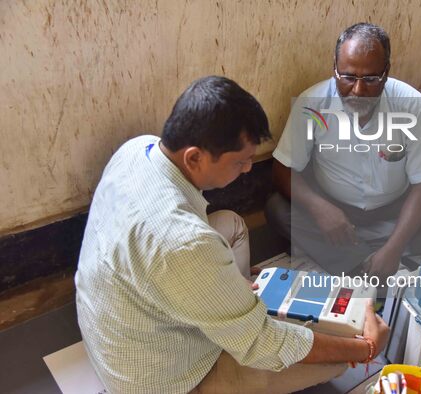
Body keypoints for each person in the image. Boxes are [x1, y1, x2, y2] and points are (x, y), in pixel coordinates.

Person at [75, 76, 390, 394]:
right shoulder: (186, 244)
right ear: (195, 157)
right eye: (240, 161)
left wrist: (221, 284)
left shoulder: (136, 150)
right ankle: (233, 312)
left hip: (112, 334)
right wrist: (363, 348)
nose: (249, 169)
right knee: (334, 358)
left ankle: (231, 300)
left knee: (231, 224)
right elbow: (263, 344)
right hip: (158, 381)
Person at [266, 23, 421, 280]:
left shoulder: (412, 105)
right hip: (336, 210)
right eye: (348, 77)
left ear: (386, 72)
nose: (358, 90)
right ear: (334, 68)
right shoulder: (313, 104)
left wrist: (394, 247)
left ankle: (363, 259)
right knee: (278, 210)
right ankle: (371, 263)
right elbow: (282, 169)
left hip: (392, 210)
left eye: (370, 79)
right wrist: (320, 209)